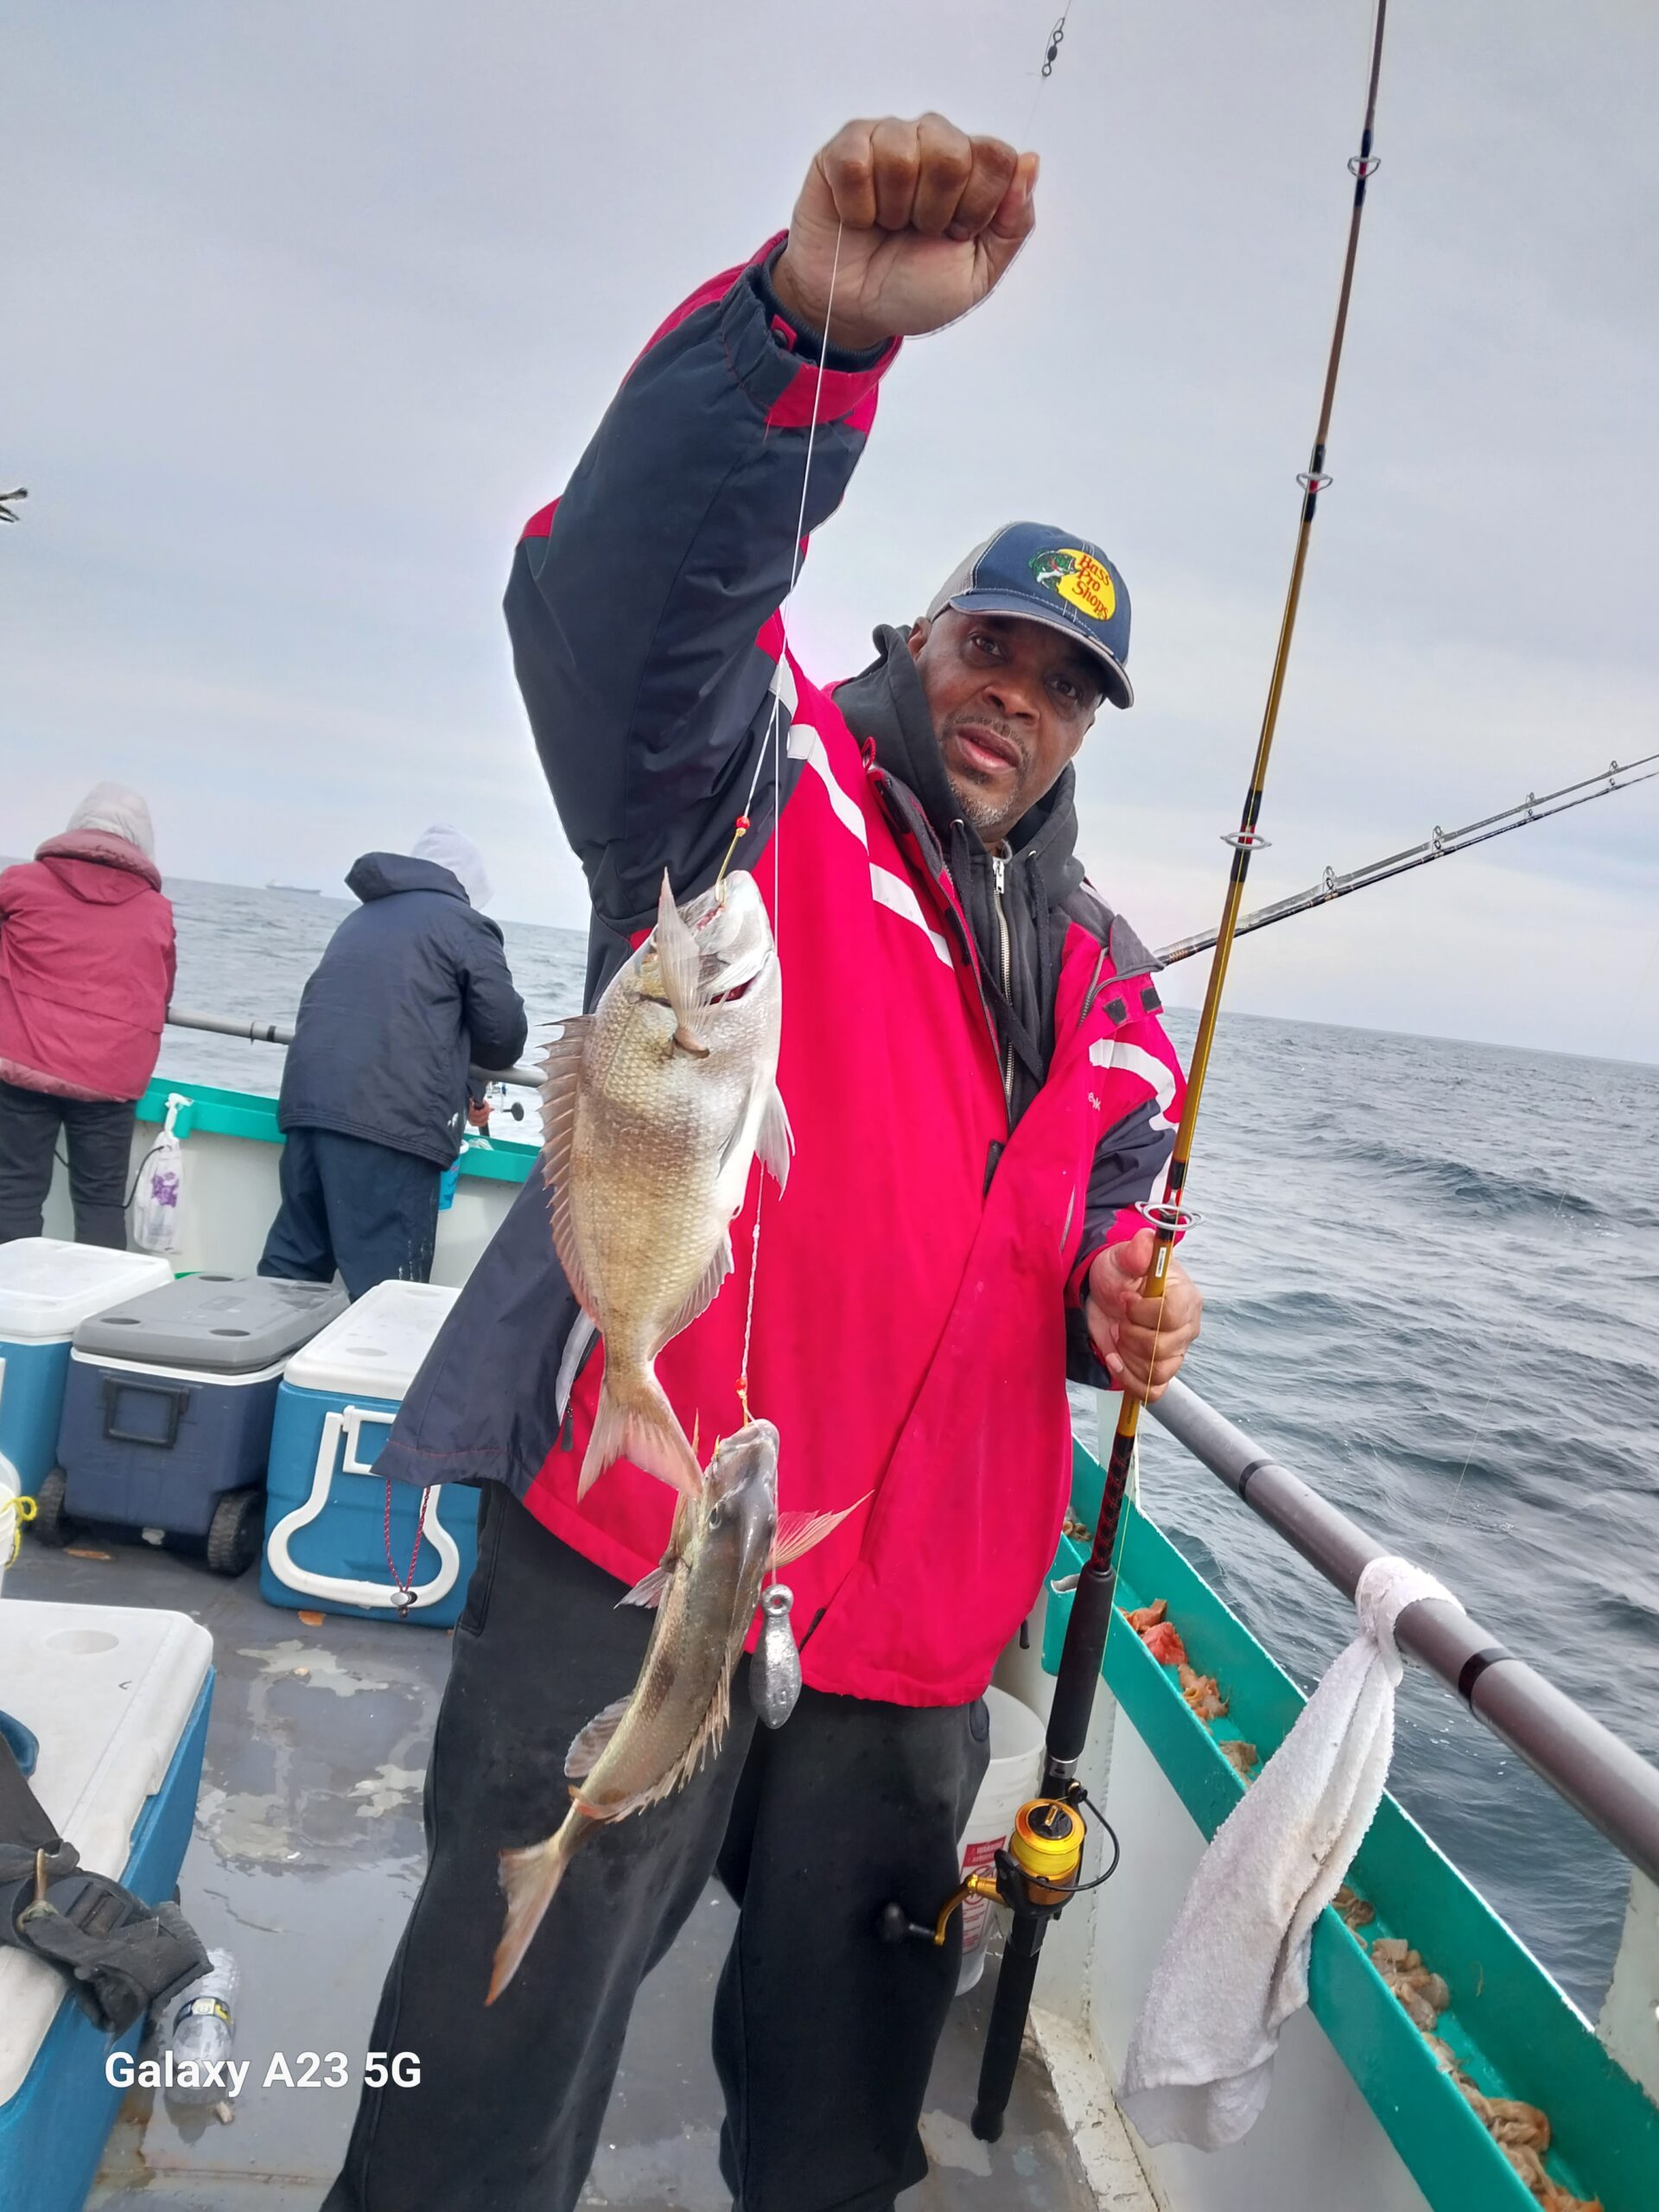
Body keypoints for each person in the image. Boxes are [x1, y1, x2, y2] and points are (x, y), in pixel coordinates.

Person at [325, 116, 1206, 2212]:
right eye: (993, 646)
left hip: (915, 1647)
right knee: (483, 2077)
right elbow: (616, 604)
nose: (1015, 697)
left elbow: (1120, 1191)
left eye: (1064, 685)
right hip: (634, 1534)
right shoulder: (753, 780)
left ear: (1086, 728)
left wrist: (1123, 1288)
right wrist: (802, 336)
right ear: (923, 635)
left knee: (834, 2138)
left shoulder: (1112, 987)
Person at [259, 824, 527, 1300]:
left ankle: (267, 1345)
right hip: (392, 1124)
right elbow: (503, 1037)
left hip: (308, 1108)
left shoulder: (360, 918)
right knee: (388, 1295)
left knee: (291, 1271)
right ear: (467, 884)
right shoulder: (465, 925)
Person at [0, 784, 175, 1249]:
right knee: (100, 1201)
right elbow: (163, 988)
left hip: (23, 1060)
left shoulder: (19, 882)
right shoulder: (156, 910)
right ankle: (99, 1294)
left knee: (14, 1190)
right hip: (110, 1075)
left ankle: (10, 1290)